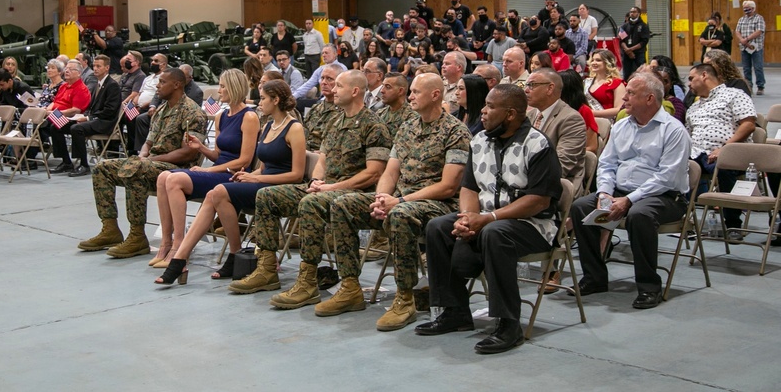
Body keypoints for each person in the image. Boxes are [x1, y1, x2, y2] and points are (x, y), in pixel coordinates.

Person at [418, 84, 563, 354]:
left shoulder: (538, 144)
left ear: (510, 114)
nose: (482, 111)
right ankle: (454, 311)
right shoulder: (479, 140)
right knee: (438, 227)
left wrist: (487, 218)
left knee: (495, 233)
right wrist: (467, 218)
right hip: (486, 219)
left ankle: (508, 324)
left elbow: (539, 200)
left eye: (490, 106)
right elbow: (469, 188)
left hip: (533, 225)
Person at [228, 71, 392, 304]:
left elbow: (373, 172)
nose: (333, 90)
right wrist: (316, 181)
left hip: (356, 193)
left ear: (355, 91)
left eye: (339, 86)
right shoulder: (336, 121)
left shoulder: (374, 125)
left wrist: (331, 187)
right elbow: (322, 160)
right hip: (326, 188)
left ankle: (308, 281)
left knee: (310, 203)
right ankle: (266, 269)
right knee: (266, 196)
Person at [327, 73, 471, 329]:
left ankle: (405, 298)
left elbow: (449, 185)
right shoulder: (408, 126)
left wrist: (400, 200)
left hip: (439, 204)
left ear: (435, 95)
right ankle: (350, 286)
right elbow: (391, 171)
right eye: (411, 91)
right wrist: (383, 197)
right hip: (401, 199)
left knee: (401, 214)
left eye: (416, 92)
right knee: (343, 205)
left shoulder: (455, 131)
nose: (411, 96)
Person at [156, 80, 307, 284]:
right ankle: (182, 258)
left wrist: (256, 177)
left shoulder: (294, 128)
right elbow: (264, 165)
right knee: (214, 194)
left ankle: (198, 257)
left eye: (263, 98)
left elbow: (296, 175)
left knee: (218, 192)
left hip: (279, 187)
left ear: (276, 100)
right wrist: (249, 174)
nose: (259, 102)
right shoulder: (270, 125)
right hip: (261, 181)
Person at [570, 73, 691, 309]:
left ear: (649, 99)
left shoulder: (673, 131)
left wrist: (628, 199)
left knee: (639, 215)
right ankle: (594, 277)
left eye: (631, 94)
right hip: (620, 192)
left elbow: (666, 177)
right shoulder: (622, 126)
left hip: (663, 197)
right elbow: (607, 163)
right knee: (580, 207)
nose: (624, 98)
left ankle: (649, 287)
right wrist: (605, 192)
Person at [80, 68, 207, 257]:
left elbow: (188, 152)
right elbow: (149, 141)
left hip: (177, 170)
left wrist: (150, 160)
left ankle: (137, 236)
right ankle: (110, 229)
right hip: (151, 164)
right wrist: (144, 155)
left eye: (163, 82)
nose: (157, 85)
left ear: (177, 85)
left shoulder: (192, 112)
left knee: (137, 169)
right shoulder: (162, 109)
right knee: (102, 168)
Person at [151, 69, 259, 268]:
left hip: (231, 176)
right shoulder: (221, 116)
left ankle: (179, 245)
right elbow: (218, 155)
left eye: (223, 86)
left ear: (234, 88)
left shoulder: (249, 117)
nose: (219, 91)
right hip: (218, 170)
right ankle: (166, 243)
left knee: (174, 180)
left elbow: (244, 159)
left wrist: (209, 170)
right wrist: (200, 148)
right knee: (163, 177)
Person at [686, 63, 756, 238]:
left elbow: (748, 125)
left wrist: (724, 149)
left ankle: (733, 224)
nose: (689, 84)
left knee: (724, 166)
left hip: (731, 153)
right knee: (674, 165)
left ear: (704, 75)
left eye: (691, 78)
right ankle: (684, 219)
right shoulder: (694, 107)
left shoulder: (734, 95)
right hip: (698, 155)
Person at [525, 69, 586, 190]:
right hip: (527, 178)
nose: (526, 90)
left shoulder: (571, 119)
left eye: (532, 85)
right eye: (526, 85)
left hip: (557, 185)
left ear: (550, 88)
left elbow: (561, 164)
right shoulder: (529, 116)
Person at [65, 55, 122, 177]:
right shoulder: (98, 83)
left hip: (106, 122)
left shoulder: (112, 85)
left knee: (77, 128)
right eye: (94, 66)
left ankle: (84, 164)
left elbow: (110, 111)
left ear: (107, 68)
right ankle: (66, 161)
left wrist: (87, 118)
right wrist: (82, 116)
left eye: (98, 66)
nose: (95, 69)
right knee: (59, 125)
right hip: (96, 119)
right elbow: (92, 107)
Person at [43, 59, 92, 174]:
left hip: (75, 119)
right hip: (58, 115)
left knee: (52, 126)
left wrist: (55, 114)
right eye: (66, 69)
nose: (67, 71)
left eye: (71, 69)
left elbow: (76, 110)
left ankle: (84, 164)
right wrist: (47, 110)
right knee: (49, 125)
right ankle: (66, 162)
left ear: (79, 73)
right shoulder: (64, 86)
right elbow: (55, 102)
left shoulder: (81, 89)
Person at [303, 64, 343, 151]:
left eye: (329, 79)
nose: (324, 82)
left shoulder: (344, 112)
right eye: (322, 78)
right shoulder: (315, 109)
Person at [559, 70, 599, 154]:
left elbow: (592, 147)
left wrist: (566, 153)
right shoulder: (554, 108)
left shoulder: (584, 111)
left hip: (572, 158)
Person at [584, 49, 626, 120]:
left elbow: (619, 109)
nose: (594, 63)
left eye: (598, 60)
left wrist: (593, 113)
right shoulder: (586, 82)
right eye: (592, 60)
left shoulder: (617, 83)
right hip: (589, 122)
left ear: (607, 63)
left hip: (608, 124)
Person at [735, 0, 766, 95]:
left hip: (756, 47)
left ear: (753, 8)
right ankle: (748, 86)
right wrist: (741, 40)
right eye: (744, 8)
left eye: (748, 8)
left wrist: (747, 39)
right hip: (744, 48)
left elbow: (759, 31)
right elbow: (737, 31)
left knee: (758, 67)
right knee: (746, 68)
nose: (746, 10)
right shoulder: (741, 19)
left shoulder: (759, 18)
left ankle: (760, 86)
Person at [619, 6, 650, 79]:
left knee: (640, 73)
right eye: (631, 12)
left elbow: (644, 41)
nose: (632, 13)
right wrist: (628, 51)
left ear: (638, 13)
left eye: (634, 12)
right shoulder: (624, 26)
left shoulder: (643, 26)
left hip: (639, 54)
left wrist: (631, 49)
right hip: (626, 54)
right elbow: (621, 40)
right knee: (626, 74)